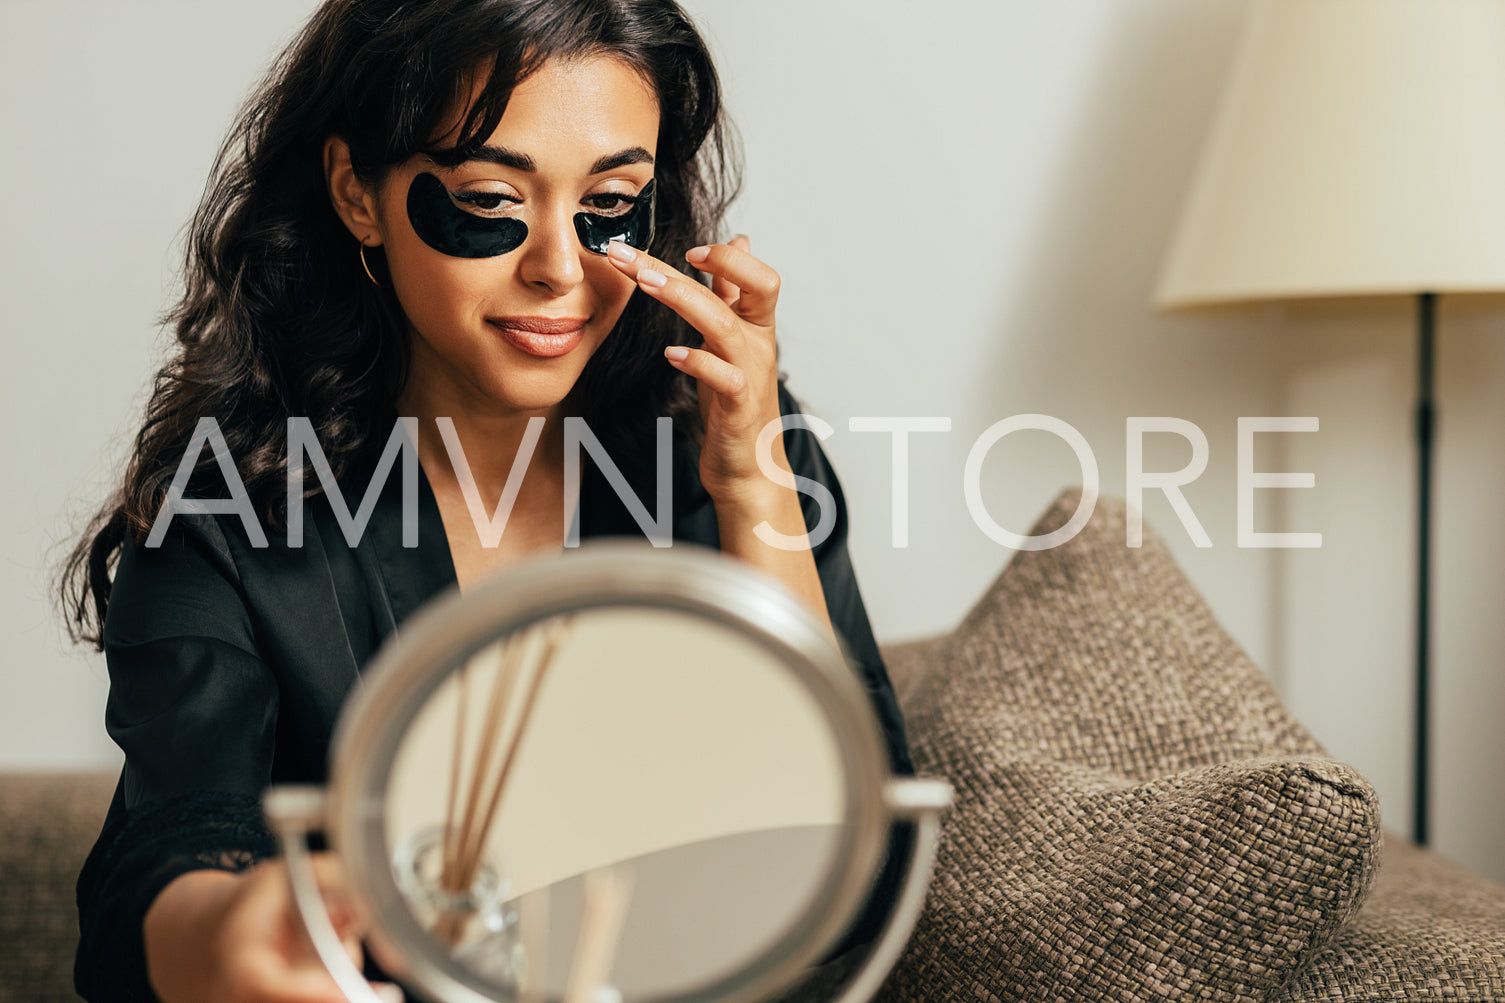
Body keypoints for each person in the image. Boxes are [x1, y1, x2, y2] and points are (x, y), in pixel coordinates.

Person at [59, 1, 913, 1000]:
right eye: (489, 200)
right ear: (356, 191)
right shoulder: (229, 511)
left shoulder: (728, 444)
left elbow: (858, 876)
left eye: (609, 204)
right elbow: (176, 848)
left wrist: (749, 485)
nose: (558, 267)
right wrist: (230, 934)